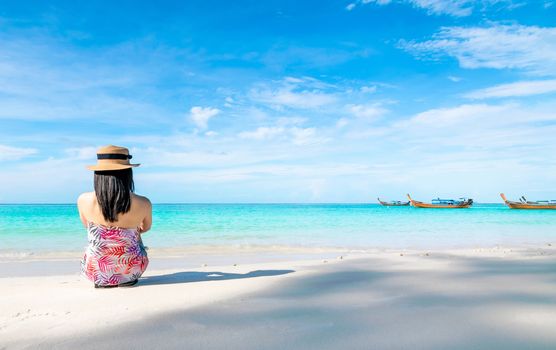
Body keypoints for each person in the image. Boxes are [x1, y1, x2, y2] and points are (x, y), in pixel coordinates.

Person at [78, 145, 152, 288]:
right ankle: (126, 278)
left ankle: (104, 279)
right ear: (128, 173)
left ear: (97, 173)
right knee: (135, 233)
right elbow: (146, 228)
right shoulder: (143, 202)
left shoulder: (83, 200)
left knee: (97, 234)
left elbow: (87, 226)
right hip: (132, 269)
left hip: (95, 270)